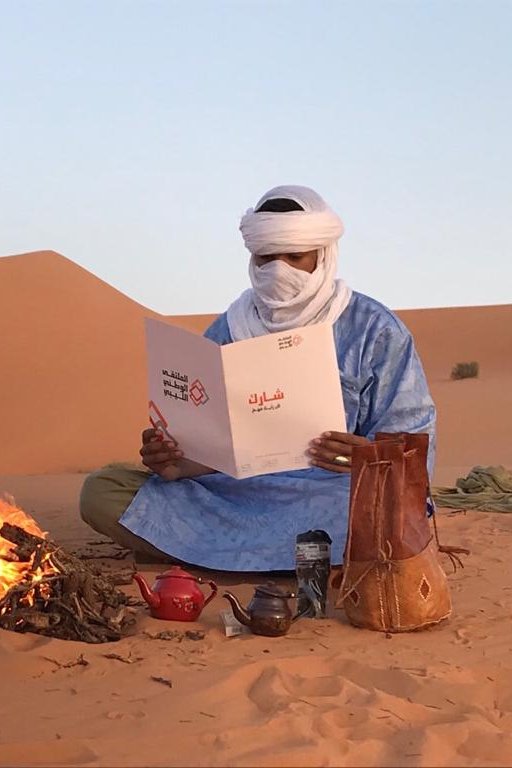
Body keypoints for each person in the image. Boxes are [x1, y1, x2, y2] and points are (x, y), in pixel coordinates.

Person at [79, 185, 436, 571]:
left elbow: (414, 449)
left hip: (333, 491)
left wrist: (365, 456)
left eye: (294, 257)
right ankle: (300, 559)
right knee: (102, 491)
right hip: (236, 493)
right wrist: (175, 462)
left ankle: (206, 553)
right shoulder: (229, 327)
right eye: (266, 257)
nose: (279, 271)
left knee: (389, 513)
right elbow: (209, 444)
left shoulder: (374, 329)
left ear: (323, 254)